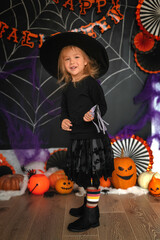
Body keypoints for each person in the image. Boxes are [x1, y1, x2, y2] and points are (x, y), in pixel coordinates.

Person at [40, 32, 114, 232]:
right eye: (67, 59)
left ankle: (91, 217)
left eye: (76, 57)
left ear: (86, 61)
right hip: (77, 139)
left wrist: (93, 112)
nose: (72, 62)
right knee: (83, 175)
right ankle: (90, 208)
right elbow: (64, 111)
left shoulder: (91, 83)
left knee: (91, 178)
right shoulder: (67, 88)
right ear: (62, 64)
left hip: (93, 139)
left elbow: (102, 106)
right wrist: (63, 120)